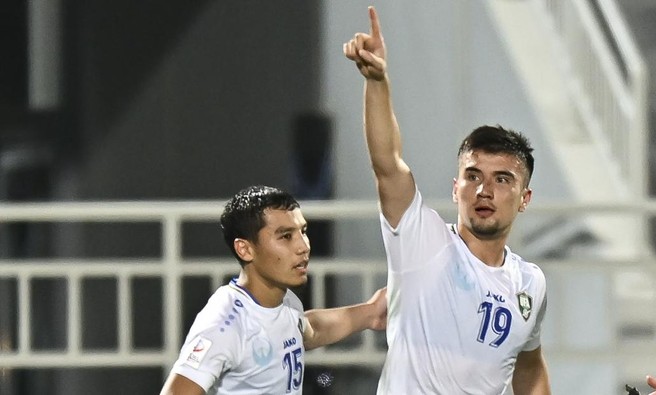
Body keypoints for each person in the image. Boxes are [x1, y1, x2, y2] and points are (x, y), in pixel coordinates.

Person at [343, 6, 550, 395]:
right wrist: (377, 81)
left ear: (525, 198)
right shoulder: (423, 242)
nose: (484, 190)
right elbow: (388, 163)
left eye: (502, 179)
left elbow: (530, 367)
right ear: (456, 188)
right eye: (473, 177)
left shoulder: (530, 283)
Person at [159, 185, 387, 395]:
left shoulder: (285, 300)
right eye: (286, 236)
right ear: (245, 249)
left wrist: (371, 313)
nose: (303, 246)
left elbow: (310, 330)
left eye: (303, 231)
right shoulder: (224, 324)